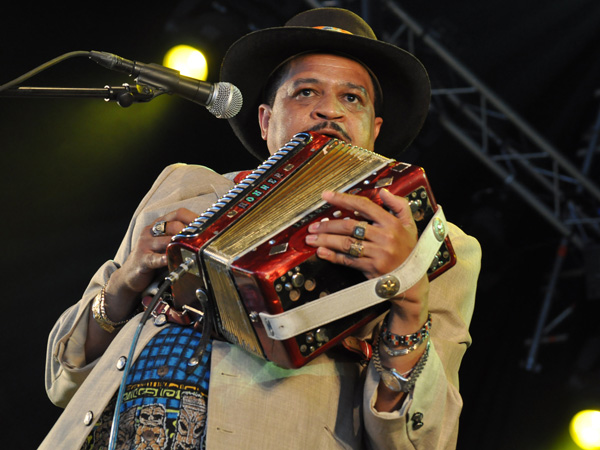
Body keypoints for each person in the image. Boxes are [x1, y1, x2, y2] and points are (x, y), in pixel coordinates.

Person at [41, 7, 481, 450]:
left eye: (352, 98)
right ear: (267, 120)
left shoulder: (430, 241)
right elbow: (63, 375)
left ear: (373, 130)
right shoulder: (185, 186)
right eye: (306, 92)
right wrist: (125, 281)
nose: (328, 110)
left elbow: (422, 443)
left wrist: (408, 300)